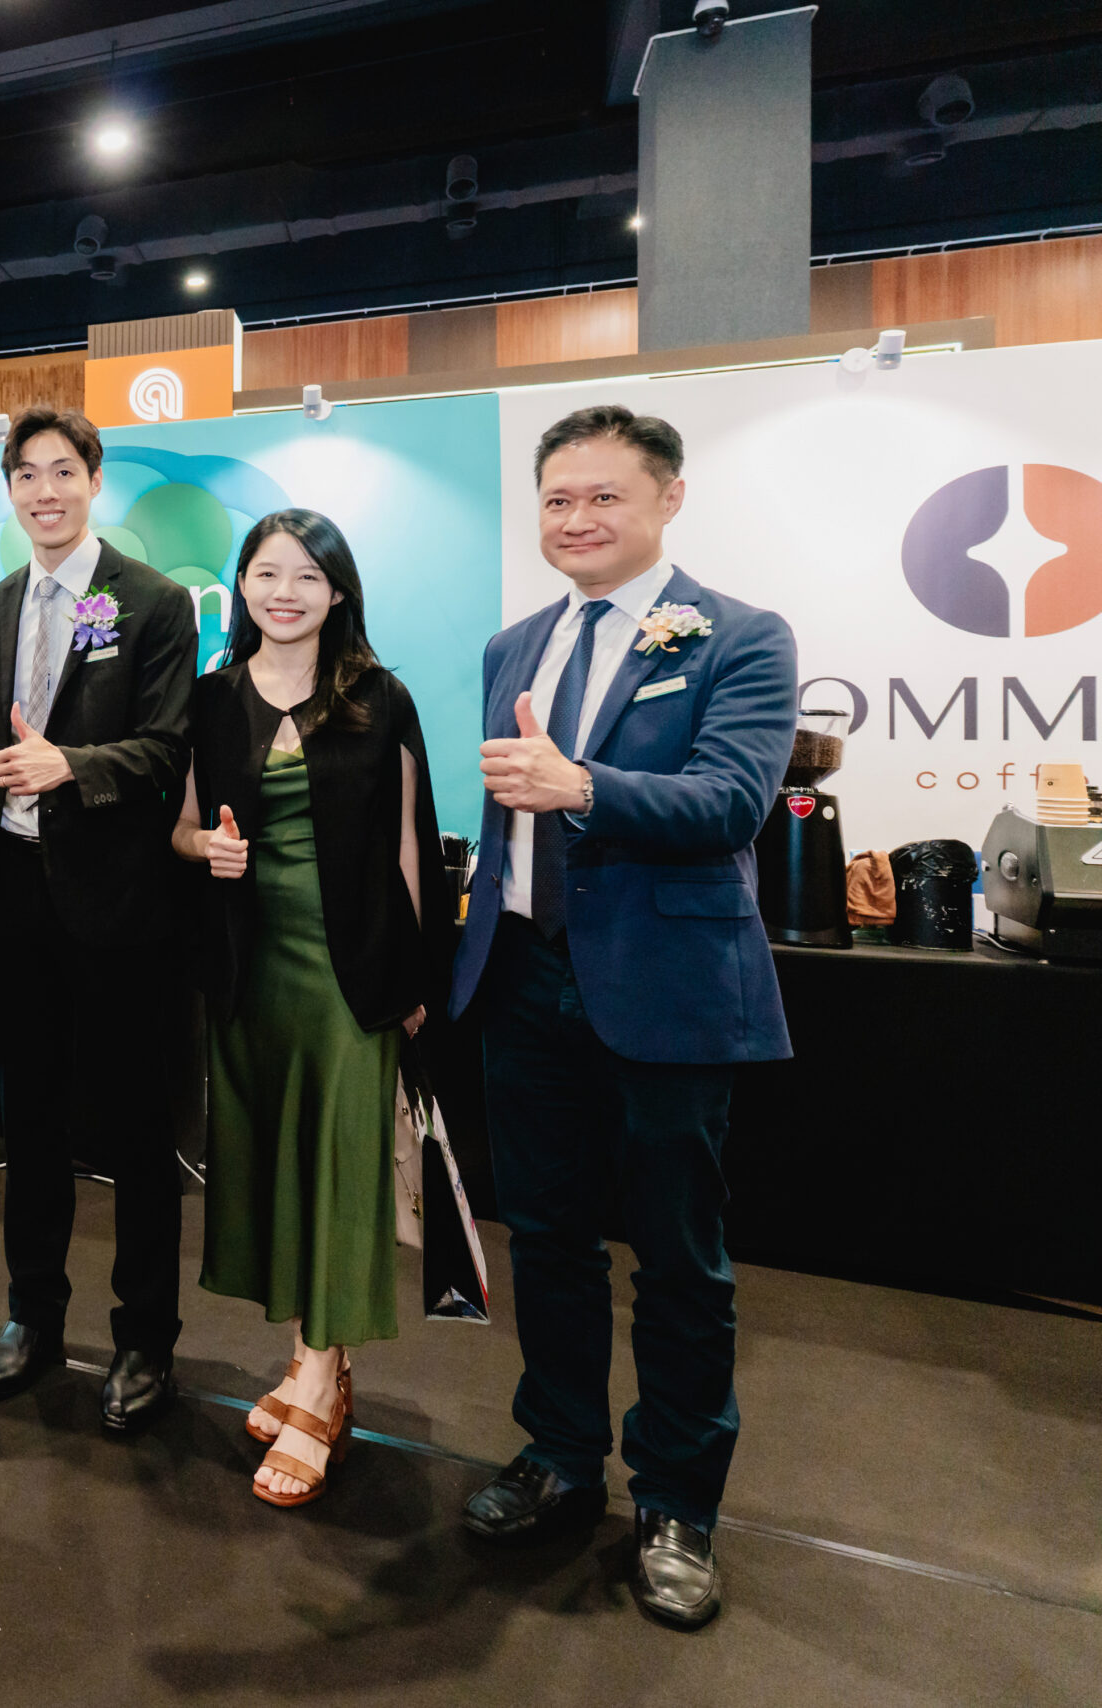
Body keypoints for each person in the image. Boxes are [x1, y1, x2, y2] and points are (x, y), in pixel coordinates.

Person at [451, 405, 795, 1631]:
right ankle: (557, 1453)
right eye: (557, 498)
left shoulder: (739, 636)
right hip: (522, 981)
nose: (577, 518)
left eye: (604, 495)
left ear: (667, 499)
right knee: (546, 1241)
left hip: (664, 990)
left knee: (678, 1261)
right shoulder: (511, 646)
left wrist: (581, 786)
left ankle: (676, 1503)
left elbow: (730, 802)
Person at [172, 509, 452, 1506]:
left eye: (305, 575)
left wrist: (416, 981)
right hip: (249, 974)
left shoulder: (380, 697)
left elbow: (411, 844)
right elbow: (180, 827)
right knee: (277, 1166)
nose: (283, 592)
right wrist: (208, 848)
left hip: (351, 974)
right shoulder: (211, 698)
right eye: (265, 572)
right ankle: (306, 1360)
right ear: (241, 586)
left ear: (338, 592)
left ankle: (324, 1385)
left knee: (337, 1169)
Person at [0, 406, 196, 1432]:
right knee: (30, 1124)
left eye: (63, 471)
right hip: (11, 896)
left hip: (118, 904)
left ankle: (145, 1339)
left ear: (94, 480)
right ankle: (33, 1317)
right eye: (27, 474)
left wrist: (71, 765)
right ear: (10, 489)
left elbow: (168, 747)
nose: (44, 491)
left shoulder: (153, 602)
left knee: (137, 1133)